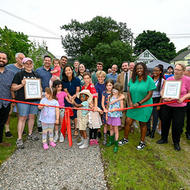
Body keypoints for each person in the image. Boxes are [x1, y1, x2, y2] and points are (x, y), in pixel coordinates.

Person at [119, 62, 156, 150]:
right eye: (137, 68)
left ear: (144, 69)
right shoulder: (132, 79)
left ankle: (142, 142)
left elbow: (150, 94)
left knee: (142, 124)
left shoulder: (149, 80)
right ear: (135, 70)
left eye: (141, 68)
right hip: (133, 105)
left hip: (144, 105)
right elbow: (129, 92)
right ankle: (125, 139)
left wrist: (139, 103)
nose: (139, 70)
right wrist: (130, 102)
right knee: (128, 122)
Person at [157, 63, 190, 151]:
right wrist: (164, 97)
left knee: (177, 125)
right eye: (175, 69)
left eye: (178, 70)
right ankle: (164, 138)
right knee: (165, 122)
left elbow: (189, 93)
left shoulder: (187, 80)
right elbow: (163, 90)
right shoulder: (169, 79)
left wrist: (183, 98)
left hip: (180, 107)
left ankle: (176, 142)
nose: (175, 71)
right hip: (167, 105)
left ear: (183, 71)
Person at [11, 58, 40, 149]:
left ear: (32, 64)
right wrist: (22, 85)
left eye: (30, 63)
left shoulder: (35, 74)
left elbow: (39, 87)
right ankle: (19, 139)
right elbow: (13, 88)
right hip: (23, 100)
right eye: (26, 63)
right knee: (22, 118)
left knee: (32, 117)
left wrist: (40, 94)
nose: (28, 65)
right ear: (23, 64)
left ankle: (30, 134)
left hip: (34, 100)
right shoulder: (19, 74)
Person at [5, 52, 25, 137]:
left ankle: (20, 128)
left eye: (23, 59)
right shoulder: (9, 67)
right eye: (20, 58)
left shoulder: (25, 69)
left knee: (20, 112)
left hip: (20, 94)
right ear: (16, 59)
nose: (22, 60)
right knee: (8, 113)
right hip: (9, 93)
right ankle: (7, 129)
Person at [0, 52, 15, 147]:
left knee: (2, 122)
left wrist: (13, 100)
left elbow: (12, 88)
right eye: (0, 58)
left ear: (7, 61)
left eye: (4, 58)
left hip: (6, 102)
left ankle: (0, 141)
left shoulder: (11, 74)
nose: (1, 60)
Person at [146, 64, 165, 138]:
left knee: (155, 116)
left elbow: (162, 94)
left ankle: (153, 131)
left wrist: (159, 104)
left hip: (157, 100)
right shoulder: (149, 79)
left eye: (157, 70)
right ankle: (148, 130)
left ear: (160, 72)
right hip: (149, 99)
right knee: (147, 115)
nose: (155, 72)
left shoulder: (163, 81)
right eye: (154, 70)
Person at [62, 65, 81, 136]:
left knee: (75, 114)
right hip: (67, 98)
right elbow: (66, 91)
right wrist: (70, 98)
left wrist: (74, 97)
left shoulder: (77, 80)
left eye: (69, 70)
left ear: (72, 71)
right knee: (67, 114)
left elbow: (78, 90)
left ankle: (76, 129)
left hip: (76, 98)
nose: (68, 71)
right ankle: (67, 128)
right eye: (66, 70)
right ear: (64, 72)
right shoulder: (63, 81)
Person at [36, 55, 52, 133]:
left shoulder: (53, 70)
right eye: (46, 60)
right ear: (43, 61)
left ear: (51, 62)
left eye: (49, 60)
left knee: (49, 109)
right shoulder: (38, 70)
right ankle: (39, 125)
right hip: (42, 92)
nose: (47, 61)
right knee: (41, 109)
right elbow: (35, 81)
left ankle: (48, 124)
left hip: (51, 92)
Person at [106, 83, 123, 153]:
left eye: (116, 90)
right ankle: (111, 141)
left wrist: (115, 109)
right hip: (110, 115)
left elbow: (122, 108)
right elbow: (108, 106)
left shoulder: (120, 98)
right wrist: (107, 113)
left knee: (116, 130)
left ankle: (116, 144)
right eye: (113, 89)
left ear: (119, 91)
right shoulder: (110, 96)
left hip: (116, 116)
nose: (114, 91)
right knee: (111, 128)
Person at [116, 62, 131, 128]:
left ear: (128, 66)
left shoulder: (133, 74)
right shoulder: (120, 75)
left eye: (126, 65)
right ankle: (122, 125)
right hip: (122, 94)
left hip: (131, 94)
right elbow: (117, 85)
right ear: (122, 67)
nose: (124, 67)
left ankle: (130, 125)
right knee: (123, 110)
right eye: (123, 66)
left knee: (131, 109)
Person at [102, 79, 114, 145]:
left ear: (113, 86)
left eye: (110, 85)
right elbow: (102, 102)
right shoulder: (104, 93)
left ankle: (111, 138)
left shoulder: (114, 93)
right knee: (105, 125)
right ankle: (105, 138)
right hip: (105, 111)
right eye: (107, 85)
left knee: (111, 125)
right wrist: (104, 109)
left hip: (112, 111)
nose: (109, 87)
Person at [184, 65, 190, 140]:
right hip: (183, 100)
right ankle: (180, 130)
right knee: (181, 118)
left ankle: (188, 132)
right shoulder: (182, 79)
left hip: (189, 101)